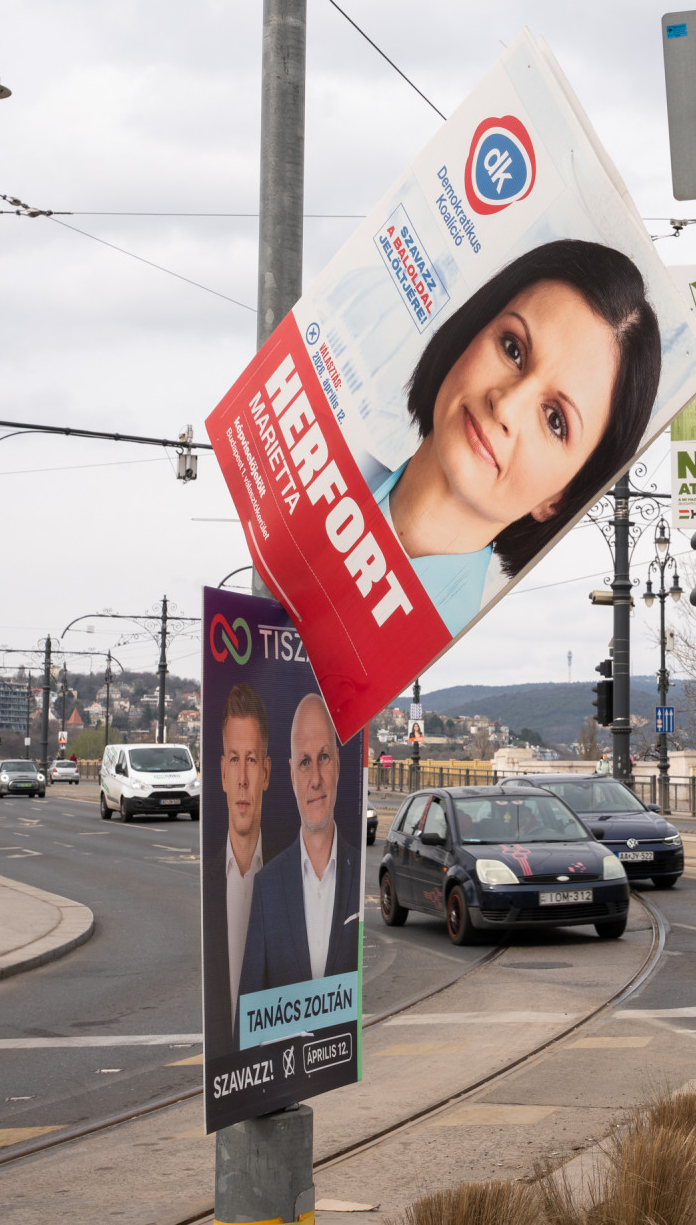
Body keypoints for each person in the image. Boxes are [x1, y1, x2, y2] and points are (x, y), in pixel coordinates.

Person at [376, 239, 663, 635]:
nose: (506, 406)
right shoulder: (303, 469)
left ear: (560, 497)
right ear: (470, 333)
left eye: (555, 420)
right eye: (513, 349)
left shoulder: (451, 650)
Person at [238, 694, 360, 1000]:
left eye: (324, 758)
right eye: (305, 763)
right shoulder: (267, 887)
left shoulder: (360, 872)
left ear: (338, 766)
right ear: (292, 776)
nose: (316, 779)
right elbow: (250, 1014)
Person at [214, 682, 271, 1053]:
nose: (243, 780)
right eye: (234, 759)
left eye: (251, 760)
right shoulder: (208, 882)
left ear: (265, 773)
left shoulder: (292, 879)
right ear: (222, 773)